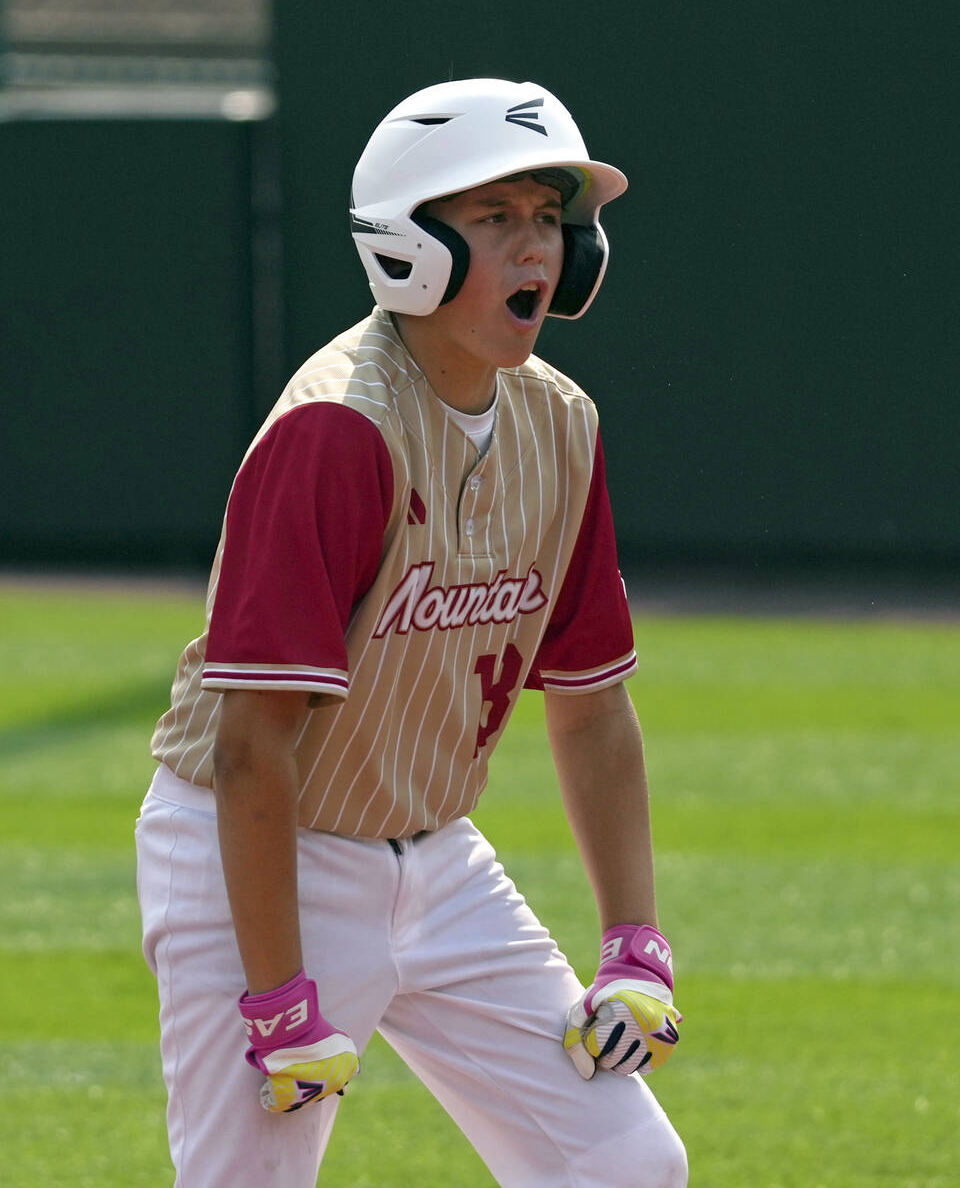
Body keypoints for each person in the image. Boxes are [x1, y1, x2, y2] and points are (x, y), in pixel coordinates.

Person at [136, 77, 688, 1187]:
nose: (536, 250)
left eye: (548, 220)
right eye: (495, 220)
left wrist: (636, 943)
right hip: (261, 857)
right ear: (409, 249)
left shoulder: (560, 424)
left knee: (624, 1165)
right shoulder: (339, 432)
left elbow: (591, 708)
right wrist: (280, 993)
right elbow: (252, 746)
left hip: (441, 862)